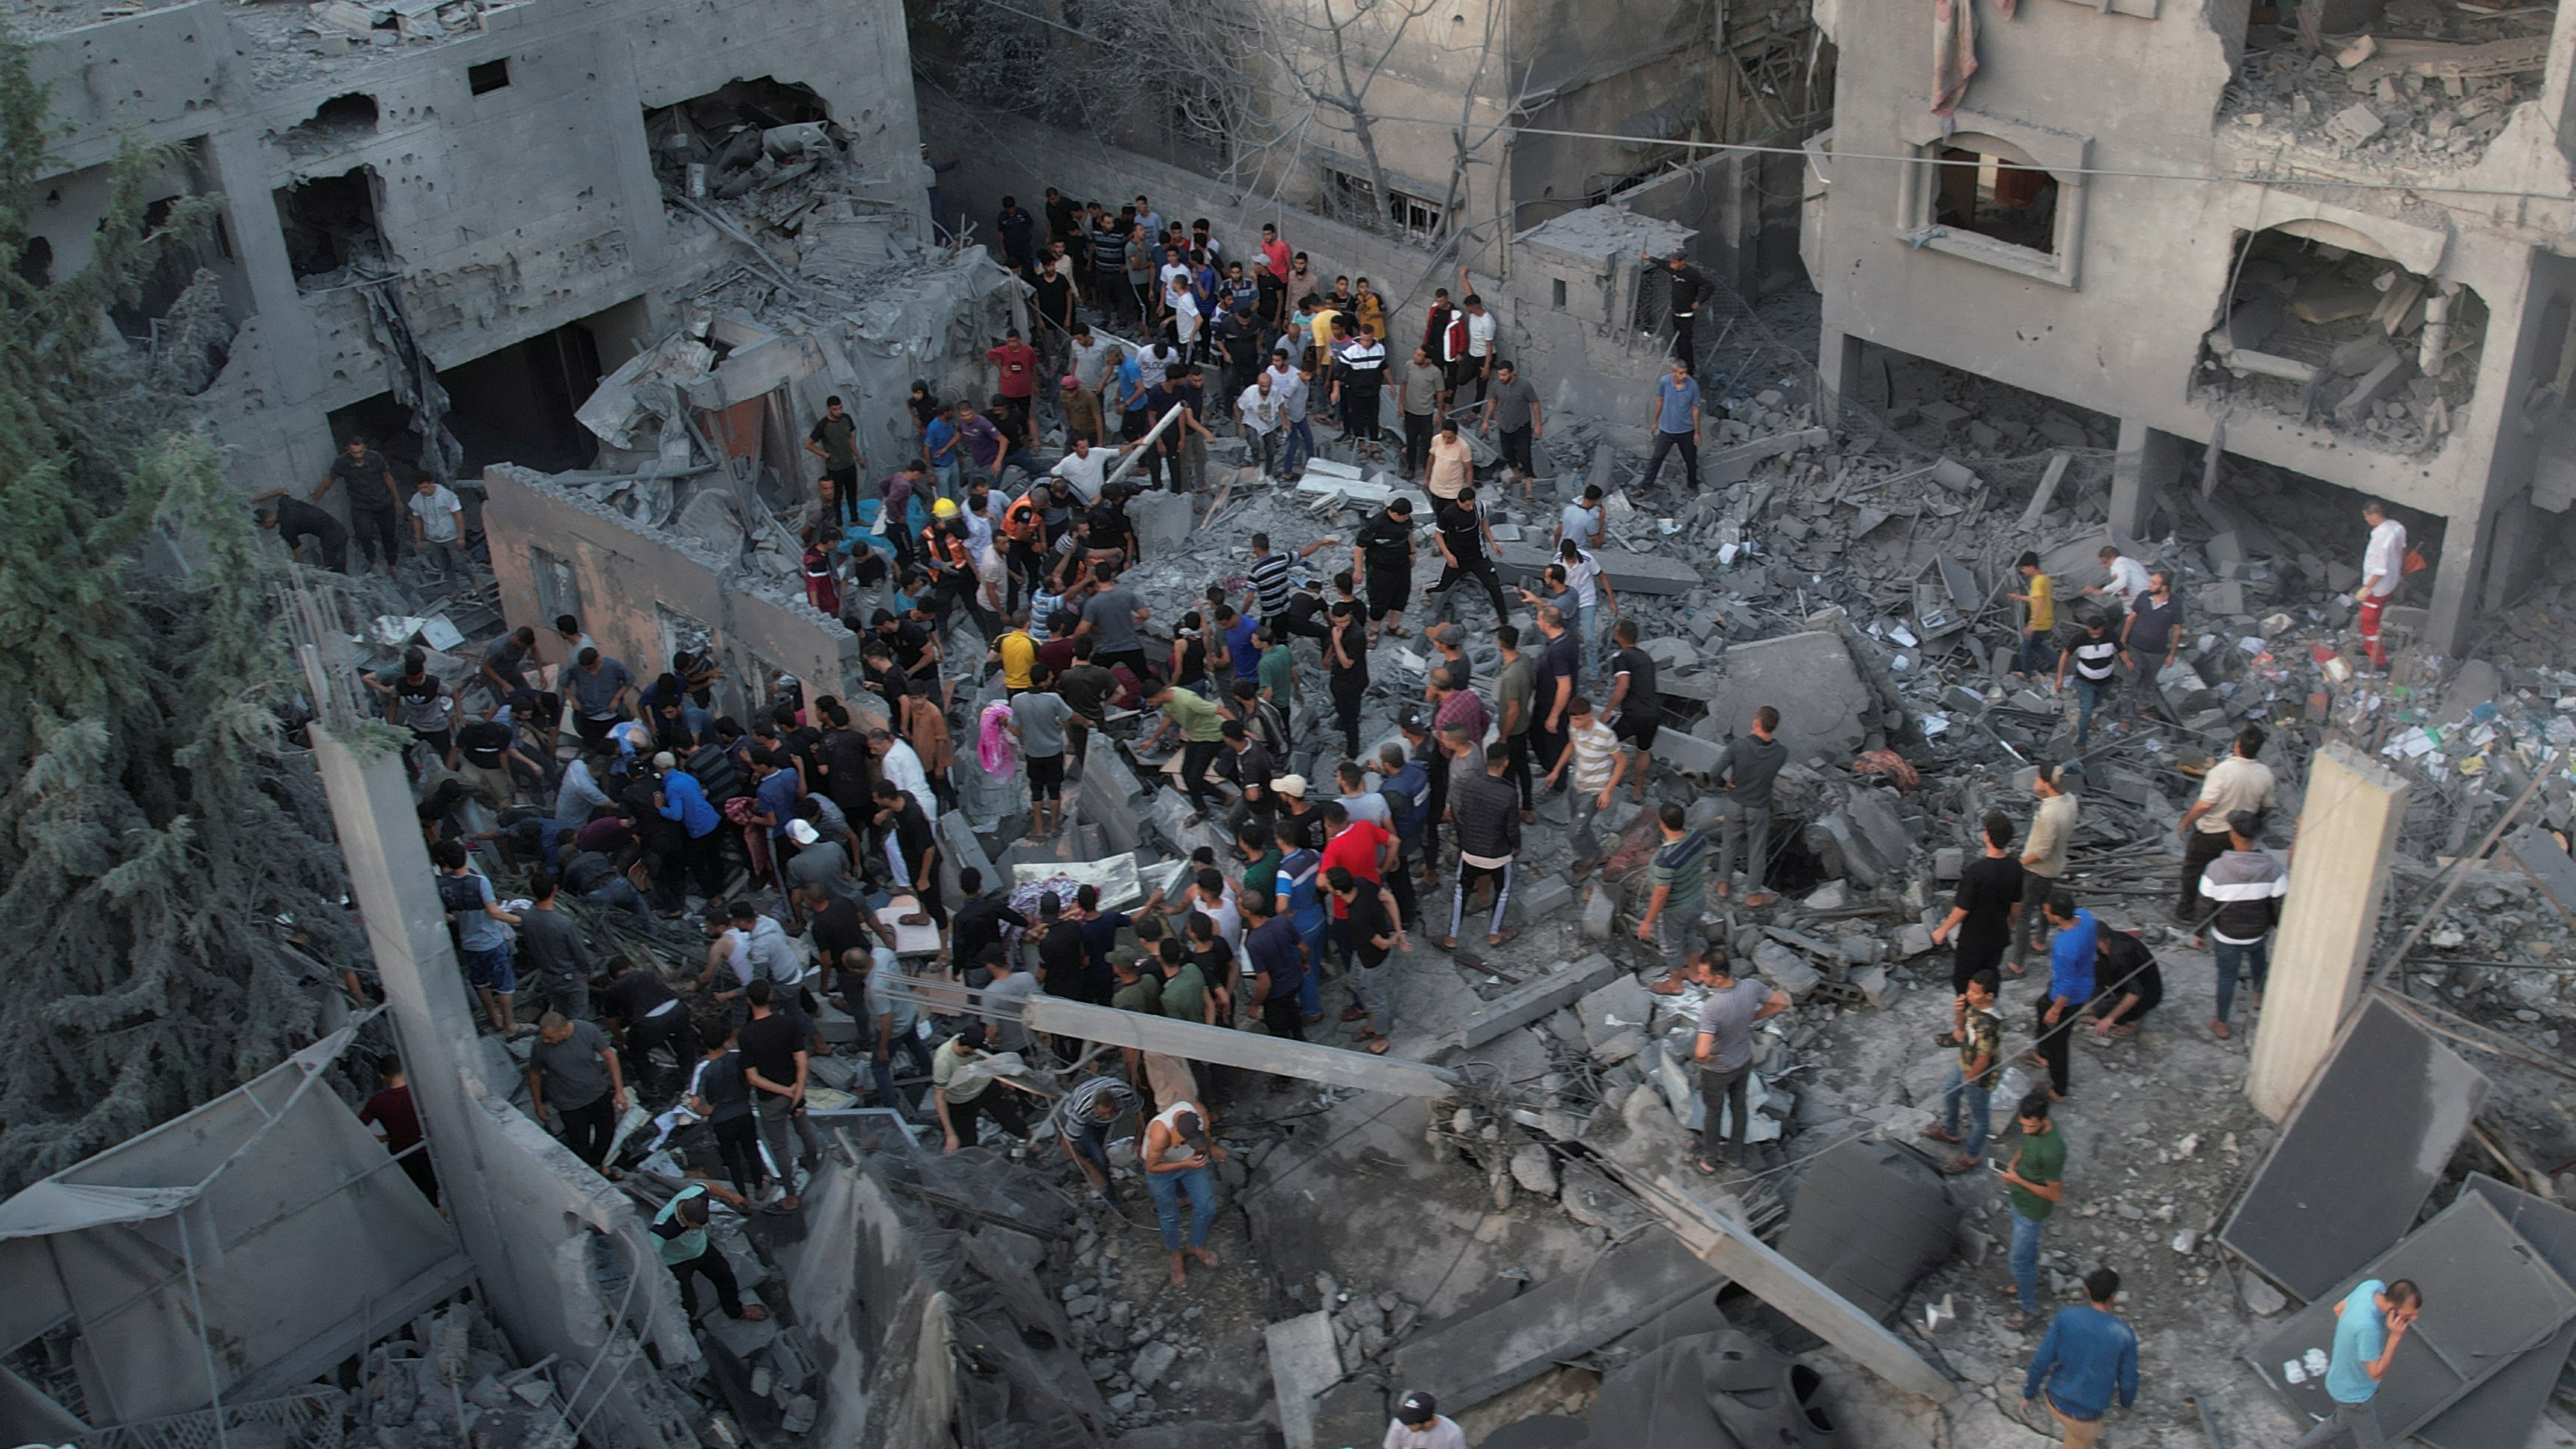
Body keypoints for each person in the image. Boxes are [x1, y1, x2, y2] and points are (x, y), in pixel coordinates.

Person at [1683, 947, 1786, 1172]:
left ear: (1718, 978)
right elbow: (1781, 1002)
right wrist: (1754, 1016)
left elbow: (1701, 1052)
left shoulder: (1713, 1008)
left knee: (1714, 1113)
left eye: (1705, 976)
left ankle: (1708, 1161)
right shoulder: (1751, 986)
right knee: (1739, 1107)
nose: (1701, 979)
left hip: (1718, 1071)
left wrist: (1702, 1059)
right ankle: (1734, 1156)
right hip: (1743, 1062)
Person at [2295, 1278, 2423, 1448]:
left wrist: (2353, 1340)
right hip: (2356, 1397)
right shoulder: (2368, 1328)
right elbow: (2375, 1373)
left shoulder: (2371, 1287)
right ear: (2392, 1310)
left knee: (2337, 1425)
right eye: (2408, 1315)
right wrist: (2395, 1337)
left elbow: (2339, 1309)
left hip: (2339, 1381)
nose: (2414, 1318)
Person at [2023, 1268, 2140, 1448]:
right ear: (2113, 1297)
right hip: (2085, 1419)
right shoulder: (2124, 1335)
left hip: (2054, 1401)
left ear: (2087, 1291)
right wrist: (2126, 1404)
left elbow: (2041, 1360)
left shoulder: (2066, 1317)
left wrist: (2029, 1394)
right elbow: (2128, 1381)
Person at [2178, 725, 2275, 929]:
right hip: (2240, 835)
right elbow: (2266, 806)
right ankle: (2220, 913)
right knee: (2229, 874)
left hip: (2211, 831)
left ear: (2237, 744)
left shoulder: (2222, 771)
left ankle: (2188, 913)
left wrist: (2186, 821)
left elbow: (2205, 804)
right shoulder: (2265, 774)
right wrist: (2252, 819)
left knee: (2194, 870)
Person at [2202, 809, 2286, 1039]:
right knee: (2259, 960)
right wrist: (2274, 924)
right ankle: (2258, 994)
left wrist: (2199, 933)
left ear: (2233, 835)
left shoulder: (2215, 870)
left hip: (2227, 936)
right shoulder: (2273, 869)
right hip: (2258, 933)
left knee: (2227, 977)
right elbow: (2279, 903)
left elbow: (2204, 907)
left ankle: (2221, 1023)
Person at [740, 979, 821, 1207]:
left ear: (749, 1001)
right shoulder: (788, 1024)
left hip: (770, 1098)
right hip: (795, 1088)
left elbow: (753, 1077)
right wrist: (797, 1090)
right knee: (805, 1130)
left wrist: (783, 1091)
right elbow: (802, 1059)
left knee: (780, 1146)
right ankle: (813, 1163)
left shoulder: (747, 1035)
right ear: (769, 997)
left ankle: (791, 1193)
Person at [432, 840, 520, 1035]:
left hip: (469, 944)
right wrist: (519, 919)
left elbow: (446, 915)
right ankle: (510, 1024)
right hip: (491, 941)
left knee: (481, 982)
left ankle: (493, 1017)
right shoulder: (479, 881)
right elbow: (495, 912)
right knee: (505, 985)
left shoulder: (442, 885)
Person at [1933, 812, 2024, 999]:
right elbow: (2017, 904)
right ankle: (1989, 1011)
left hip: (1974, 938)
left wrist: (1942, 930)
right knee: (1990, 976)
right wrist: (2011, 924)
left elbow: (1962, 908)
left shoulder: (1976, 871)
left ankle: (1967, 1022)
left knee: (1963, 981)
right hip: (1998, 934)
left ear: (1988, 837)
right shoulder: (2015, 867)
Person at [1444, 745, 1523, 951]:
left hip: (1470, 850)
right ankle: (1494, 934)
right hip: (1497, 853)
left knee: (1461, 889)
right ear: (1506, 762)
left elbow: (1461, 813)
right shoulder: (1509, 793)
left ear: (1486, 760)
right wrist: (1516, 846)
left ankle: (1452, 937)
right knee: (1503, 891)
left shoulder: (1471, 784)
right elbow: (1512, 827)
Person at [2000, 1093, 2067, 1331]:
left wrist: (2018, 1180)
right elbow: (2025, 1146)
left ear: (2043, 1119)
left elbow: (2055, 1195)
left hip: (2032, 1211)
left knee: (2018, 1260)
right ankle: (2025, 1281)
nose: (2026, 1130)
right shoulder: (2034, 1129)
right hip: (2020, 1201)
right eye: (2023, 1124)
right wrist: (2012, 1165)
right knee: (2026, 1254)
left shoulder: (2053, 1151)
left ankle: (2029, 1309)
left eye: (2031, 1126)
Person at [1924, 971, 2003, 1174]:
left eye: (1975, 992)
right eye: (1969, 989)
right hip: (1965, 1065)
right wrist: (1959, 1011)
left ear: (1989, 996)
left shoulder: (1987, 1024)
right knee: (1949, 1092)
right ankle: (1950, 1132)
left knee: (1980, 1119)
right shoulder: (1975, 1008)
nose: (1969, 994)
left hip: (1978, 1076)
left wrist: (1970, 1079)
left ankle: (1972, 1154)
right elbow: (1962, 1030)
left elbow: (1984, 1058)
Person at [651, 1184, 767, 1322]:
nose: (698, 1229)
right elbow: (650, 1256)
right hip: (676, 1262)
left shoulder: (696, 1195)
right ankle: (688, 1326)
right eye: (694, 1227)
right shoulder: (662, 1228)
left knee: (725, 1277)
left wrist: (731, 1196)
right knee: (689, 1306)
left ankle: (735, 1312)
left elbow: (708, 1186)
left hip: (702, 1249)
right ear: (683, 1216)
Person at [1142, 1098, 1226, 1287]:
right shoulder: (1160, 1132)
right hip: (1161, 1172)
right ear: (1174, 1131)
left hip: (1190, 1164)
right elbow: (1152, 1167)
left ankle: (1195, 1245)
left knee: (1207, 1206)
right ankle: (1176, 1257)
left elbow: (1204, 1134)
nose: (1185, 1143)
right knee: (1169, 1216)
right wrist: (1184, 1164)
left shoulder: (1197, 1112)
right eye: (1183, 1140)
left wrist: (1210, 1148)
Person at [525, 1010, 625, 1168]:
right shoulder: (539, 1045)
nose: (545, 1040)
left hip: (597, 1095)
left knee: (606, 1134)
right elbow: (534, 1074)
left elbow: (610, 1057)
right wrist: (538, 1104)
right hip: (569, 1104)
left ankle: (597, 1166)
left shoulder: (587, 1030)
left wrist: (619, 1092)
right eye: (543, 1036)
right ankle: (589, 1169)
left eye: (550, 1037)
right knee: (580, 1145)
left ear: (564, 1031)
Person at [1712, 706, 1787, 908]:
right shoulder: (1780, 753)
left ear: (1755, 722)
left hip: (1736, 802)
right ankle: (1753, 894)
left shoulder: (1738, 746)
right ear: (1776, 728)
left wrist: (1724, 784)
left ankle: (1723, 884)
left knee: (1729, 842)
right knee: (1757, 850)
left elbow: (1714, 773)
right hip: (1759, 807)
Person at [1548, 696, 1625, 876]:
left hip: (1595, 790)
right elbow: (1572, 746)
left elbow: (1621, 762)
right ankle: (1599, 856)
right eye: (1572, 719)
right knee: (1582, 826)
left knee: (1573, 833)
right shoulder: (1574, 729)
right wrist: (1556, 770)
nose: (1574, 723)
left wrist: (1607, 792)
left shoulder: (1605, 735)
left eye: (1579, 719)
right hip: (1577, 786)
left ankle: (1588, 859)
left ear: (1590, 715)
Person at [2013, 764, 2078, 975]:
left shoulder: (2050, 813)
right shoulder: (2070, 800)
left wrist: (2019, 864)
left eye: (2037, 779)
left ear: (2047, 784)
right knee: (2045, 905)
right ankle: (2039, 942)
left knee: (2023, 915)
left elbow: (2041, 851)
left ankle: (2017, 964)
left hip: (2037, 870)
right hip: (2056, 865)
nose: (2034, 782)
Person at [2033, 892, 2096, 1101]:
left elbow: (2067, 985)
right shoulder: (2084, 916)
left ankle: (2059, 1088)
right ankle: (2041, 1053)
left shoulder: (2064, 948)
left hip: (2069, 995)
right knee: (2041, 1006)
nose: (2044, 911)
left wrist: (2056, 1009)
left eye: (2047, 910)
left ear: (2058, 916)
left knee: (2058, 1043)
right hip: (2083, 979)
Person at [1140, 678, 1228, 823]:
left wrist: (1238, 733)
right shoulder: (1167, 703)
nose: (1151, 705)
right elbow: (1168, 719)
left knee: (1194, 777)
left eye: (1150, 701)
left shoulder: (1187, 700)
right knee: (1187, 773)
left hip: (1212, 738)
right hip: (1196, 737)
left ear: (1157, 695)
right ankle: (1224, 797)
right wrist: (1152, 739)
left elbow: (1221, 710)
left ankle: (1202, 810)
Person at [934, 1022, 1032, 1150]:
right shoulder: (943, 1061)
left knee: (1011, 1120)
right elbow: (939, 1098)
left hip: (984, 1087)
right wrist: (950, 1134)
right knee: (967, 1142)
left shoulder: (971, 1039)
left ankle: (1033, 1145)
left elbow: (987, 1059)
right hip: (961, 1100)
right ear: (967, 1049)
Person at [516, 870, 594, 1022]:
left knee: (559, 1016)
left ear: (531, 892)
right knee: (577, 1019)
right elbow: (579, 952)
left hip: (548, 977)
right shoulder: (563, 923)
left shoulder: (527, 919)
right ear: (555, 889)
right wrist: (588, 970)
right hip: (570, 977)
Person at [317, 436, 404, 573]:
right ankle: (372, 561)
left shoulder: (375, 458)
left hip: (383, 502)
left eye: (360, 452)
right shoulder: (342, 462)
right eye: (354, 453)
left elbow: (387, 477)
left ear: (365, 448)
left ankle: (392, 564)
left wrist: (397, 499)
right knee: (364, 534)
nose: (358, 456)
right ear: (348, 450)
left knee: (388, 534)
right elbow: (329, 480)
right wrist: (315, 499)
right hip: (361, 506)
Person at [1427, 481, 1509, 622]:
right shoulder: (1448, 514)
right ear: (1459, 501)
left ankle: (1504, 619)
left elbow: (1484, 523)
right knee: (1443, 585)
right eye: (1467, 505)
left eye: (1472, 504)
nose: (1470, 508)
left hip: (1479, 557)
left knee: (1494, 586)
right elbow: (1438, 535)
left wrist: (1493, 543)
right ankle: (1426, 589)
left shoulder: (1479, 507)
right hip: (1457, 558)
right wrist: (1447, 554)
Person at [359, 1057, 438, 1204]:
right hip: (430, 1150)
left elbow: (358, 1126)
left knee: (423, 1201)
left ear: (382, 1076)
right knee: (437, 1196)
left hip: (404, 1156)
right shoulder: (418, 1093)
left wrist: (379, 1138)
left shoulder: (377, 1101)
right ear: (403, 1071)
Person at [1053, 1074, 1140, 1208]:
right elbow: (1066, 1145)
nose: (1108, 1116)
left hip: (1099, 1123)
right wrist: (1093, 1171)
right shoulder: (1081, 1112)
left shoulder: (1125, 1094)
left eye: (1111, 1111)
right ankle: (1112, 1205)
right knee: (1099, 1159)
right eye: (1103, 1113)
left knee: (1096, 1153)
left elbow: (1139, 1112)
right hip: (1085, 1121)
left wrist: (1140, 1137)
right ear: (1094, 1107)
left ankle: (1078, 1166)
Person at [2117, 568, 2182, 721]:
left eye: (2153, 583)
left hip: (2157, 653)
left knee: (2149, 682)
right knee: (2130, 682)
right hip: (2135, 648)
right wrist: (2123, 644)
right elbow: (2131, 619)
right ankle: (2125, 717)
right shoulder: (2144, 597)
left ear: (2164, 587)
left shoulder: (2175, 604)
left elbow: (2177, 630)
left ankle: (2142, 708)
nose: (2149, 585)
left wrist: (2171, 655)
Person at [1603, 619, 1657, 797]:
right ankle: (1638, 790)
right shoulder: (1646, 658)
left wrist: (1608, 710)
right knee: (1643, 751)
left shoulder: (1623, 658)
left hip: (1634, 714)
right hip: (1653, 714)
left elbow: (1623, 686)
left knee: (1607, 743)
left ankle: (1603, 783)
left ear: (1619, 636)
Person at [1353, 497, 1417, 642]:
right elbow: (1359, 547)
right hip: (1380, 569)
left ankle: (1393, 626)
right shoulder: (1376, 524)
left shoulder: (1406, 521)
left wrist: (1412, 552)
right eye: (1404, 516)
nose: (1407, 518)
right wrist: (1358, 570)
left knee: (1401, 596)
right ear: (1394, 513)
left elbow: (1409, 534)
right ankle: (1375, 629)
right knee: (1379, 599)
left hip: (1402, 566)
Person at [2358, 498, 2408, 672]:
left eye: (2366, 517)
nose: (2366, 520)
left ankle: (2379, 660)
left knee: (2368, 621)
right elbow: (2402, 549)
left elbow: (2379, 570)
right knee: (2372, 618)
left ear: (2374, 515)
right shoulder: (2397, 527)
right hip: (2392, 581)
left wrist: (2367, 588)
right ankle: (2369, 648)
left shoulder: (2380, 538)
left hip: (2378, 588)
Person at [2054, 616, 2120, 748]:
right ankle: (2081, 743)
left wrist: (2129, 664)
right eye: (2092, 633)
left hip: (2105, 682)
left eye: (2099, 633)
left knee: (2095, 704)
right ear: (2088, 628)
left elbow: (2122, 651)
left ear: (2103, 629)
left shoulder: (2111, 637)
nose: (2095, 636)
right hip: (2084, 682)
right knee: (2086, 710)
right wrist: (2060, 678)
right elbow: (2065, 656)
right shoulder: (2080, 639)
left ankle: (2088, 718)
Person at [2088, 926, 2162, 1039]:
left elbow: (2135, 993)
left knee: (2103, 1010)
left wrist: (2109, 1019)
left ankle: (2132, 1020)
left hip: (2145, 994)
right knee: (2089, 975)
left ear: (2100, 943)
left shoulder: (2120, 956)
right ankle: (2104, 1003)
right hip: (2125, 980)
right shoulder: (2112, 939)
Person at [1639, 357, 1702, 491]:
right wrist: (1655, 422)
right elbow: (1659, 402)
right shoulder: (1665, 382)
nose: (1684, 376)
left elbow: (1695, 410)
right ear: (1673, 373)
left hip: (1686, 431)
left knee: (1691, 461)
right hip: (1667, 430)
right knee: (1656, 459)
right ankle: (1645, 487)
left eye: (1685, 372)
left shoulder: (1692, 386)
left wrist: (1697, 432)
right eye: (1681, 373)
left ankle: (1693, 486)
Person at [1481, 358, 1543, 492]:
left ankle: (1529, 487)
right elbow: (1492, 401)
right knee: (1508, 453)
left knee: (1524, 456)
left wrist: (1538, 425)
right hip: (1504, 424)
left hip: (1522, 425)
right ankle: (1516, 474)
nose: (1501, 378)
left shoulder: (1524, 386)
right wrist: (1485, 420)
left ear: (1512, 373)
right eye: (1499, 375)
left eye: (1504, 375)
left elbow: (1535, 403)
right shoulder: (1497, 385)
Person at [254, 491, 350, 571]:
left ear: (267, 521)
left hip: (332, 538)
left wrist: (295, 573)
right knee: (336, 566)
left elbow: (298, 557)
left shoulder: (286, 530)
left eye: (264, 526)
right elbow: (282, 490)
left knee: (335, 571)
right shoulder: (284, 503)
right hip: (336, 527)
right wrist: (256, 499)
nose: (265, 528)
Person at [1643, 249, 1707, 360]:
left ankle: (1687, 368)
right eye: (1671, 263)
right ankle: (1680, 362)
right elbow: (1663, 264)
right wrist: (1649, 258)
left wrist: (1699, 301)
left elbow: (1709, 287)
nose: (1672, 265)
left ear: (1682, 262)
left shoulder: (1692, 274)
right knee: (1678, 341)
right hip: (1675, 313)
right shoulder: (1674, 270)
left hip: (1686, 316)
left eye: (1674, 263)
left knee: (1685, 344)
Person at [805, 395, 863, 515]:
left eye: (840, 408)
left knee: (852, 493)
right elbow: (808, 444)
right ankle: (838, 522)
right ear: (829, 409)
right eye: (835, 409)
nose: (838, 412)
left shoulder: (846, 419)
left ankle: (855, 519)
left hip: (849, 463)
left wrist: (859, 458)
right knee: (836, 496)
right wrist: (824, 454)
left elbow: (850, 438)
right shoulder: (823, 425)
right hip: (835, 468)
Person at [407, 475, 468, 581]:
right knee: (443, 565)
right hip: (433, 538)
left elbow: (458, 516)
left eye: (425, 487)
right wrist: (418, 540)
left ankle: (474, 581)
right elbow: (417, 519)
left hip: (450, 536)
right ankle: (454, 588)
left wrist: (461, 537)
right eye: (420, 488)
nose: (423, 491)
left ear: (432, 484)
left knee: (459, 563)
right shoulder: (417, 499)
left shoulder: (446, 496)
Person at [1398, 345, 1444, 480]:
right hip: (1410, 412)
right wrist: (1401, 405)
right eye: (1416, 353)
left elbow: (1440, 392)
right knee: (1411, 442)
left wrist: (1440, 413)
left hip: (1426, 413)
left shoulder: (1435, 372)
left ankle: (1426, 470)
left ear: (1427, 359)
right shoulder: (1409, 366)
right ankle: (1411, 468)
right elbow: (1404, 385)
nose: (1415, 357)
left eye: (1419, 355)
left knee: (1427, 444)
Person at [2080, 544, 2152, 628]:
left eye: (2105, 563)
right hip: (2145, 599)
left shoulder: (2117, 565)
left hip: (2135, 605)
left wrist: (2101, 591)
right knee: (2112, 611)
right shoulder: (2132, 562)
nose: (2105, 566)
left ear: (2112, 559)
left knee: (2120, 631)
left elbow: (2122, 582)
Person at [2009, 550, 2055, 680]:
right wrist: (2019, 597)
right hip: (2047, 620)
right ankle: (2061, 662)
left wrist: (2032, 624)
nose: (2023, 571)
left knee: (2026, 648)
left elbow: (2039, 602)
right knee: (2035, 646)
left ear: (2031, 566)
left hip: (2039, 622)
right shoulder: (2045, 579)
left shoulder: (2036, 582)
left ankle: (2026, 674)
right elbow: (2036, 598)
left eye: (2023, 568)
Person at [1385, 1390, 1468, 1449]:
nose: (1406, 1425)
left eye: (1412, 1424)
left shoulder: (1453, 1434)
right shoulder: (1398, 1423)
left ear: (1427, 1423)